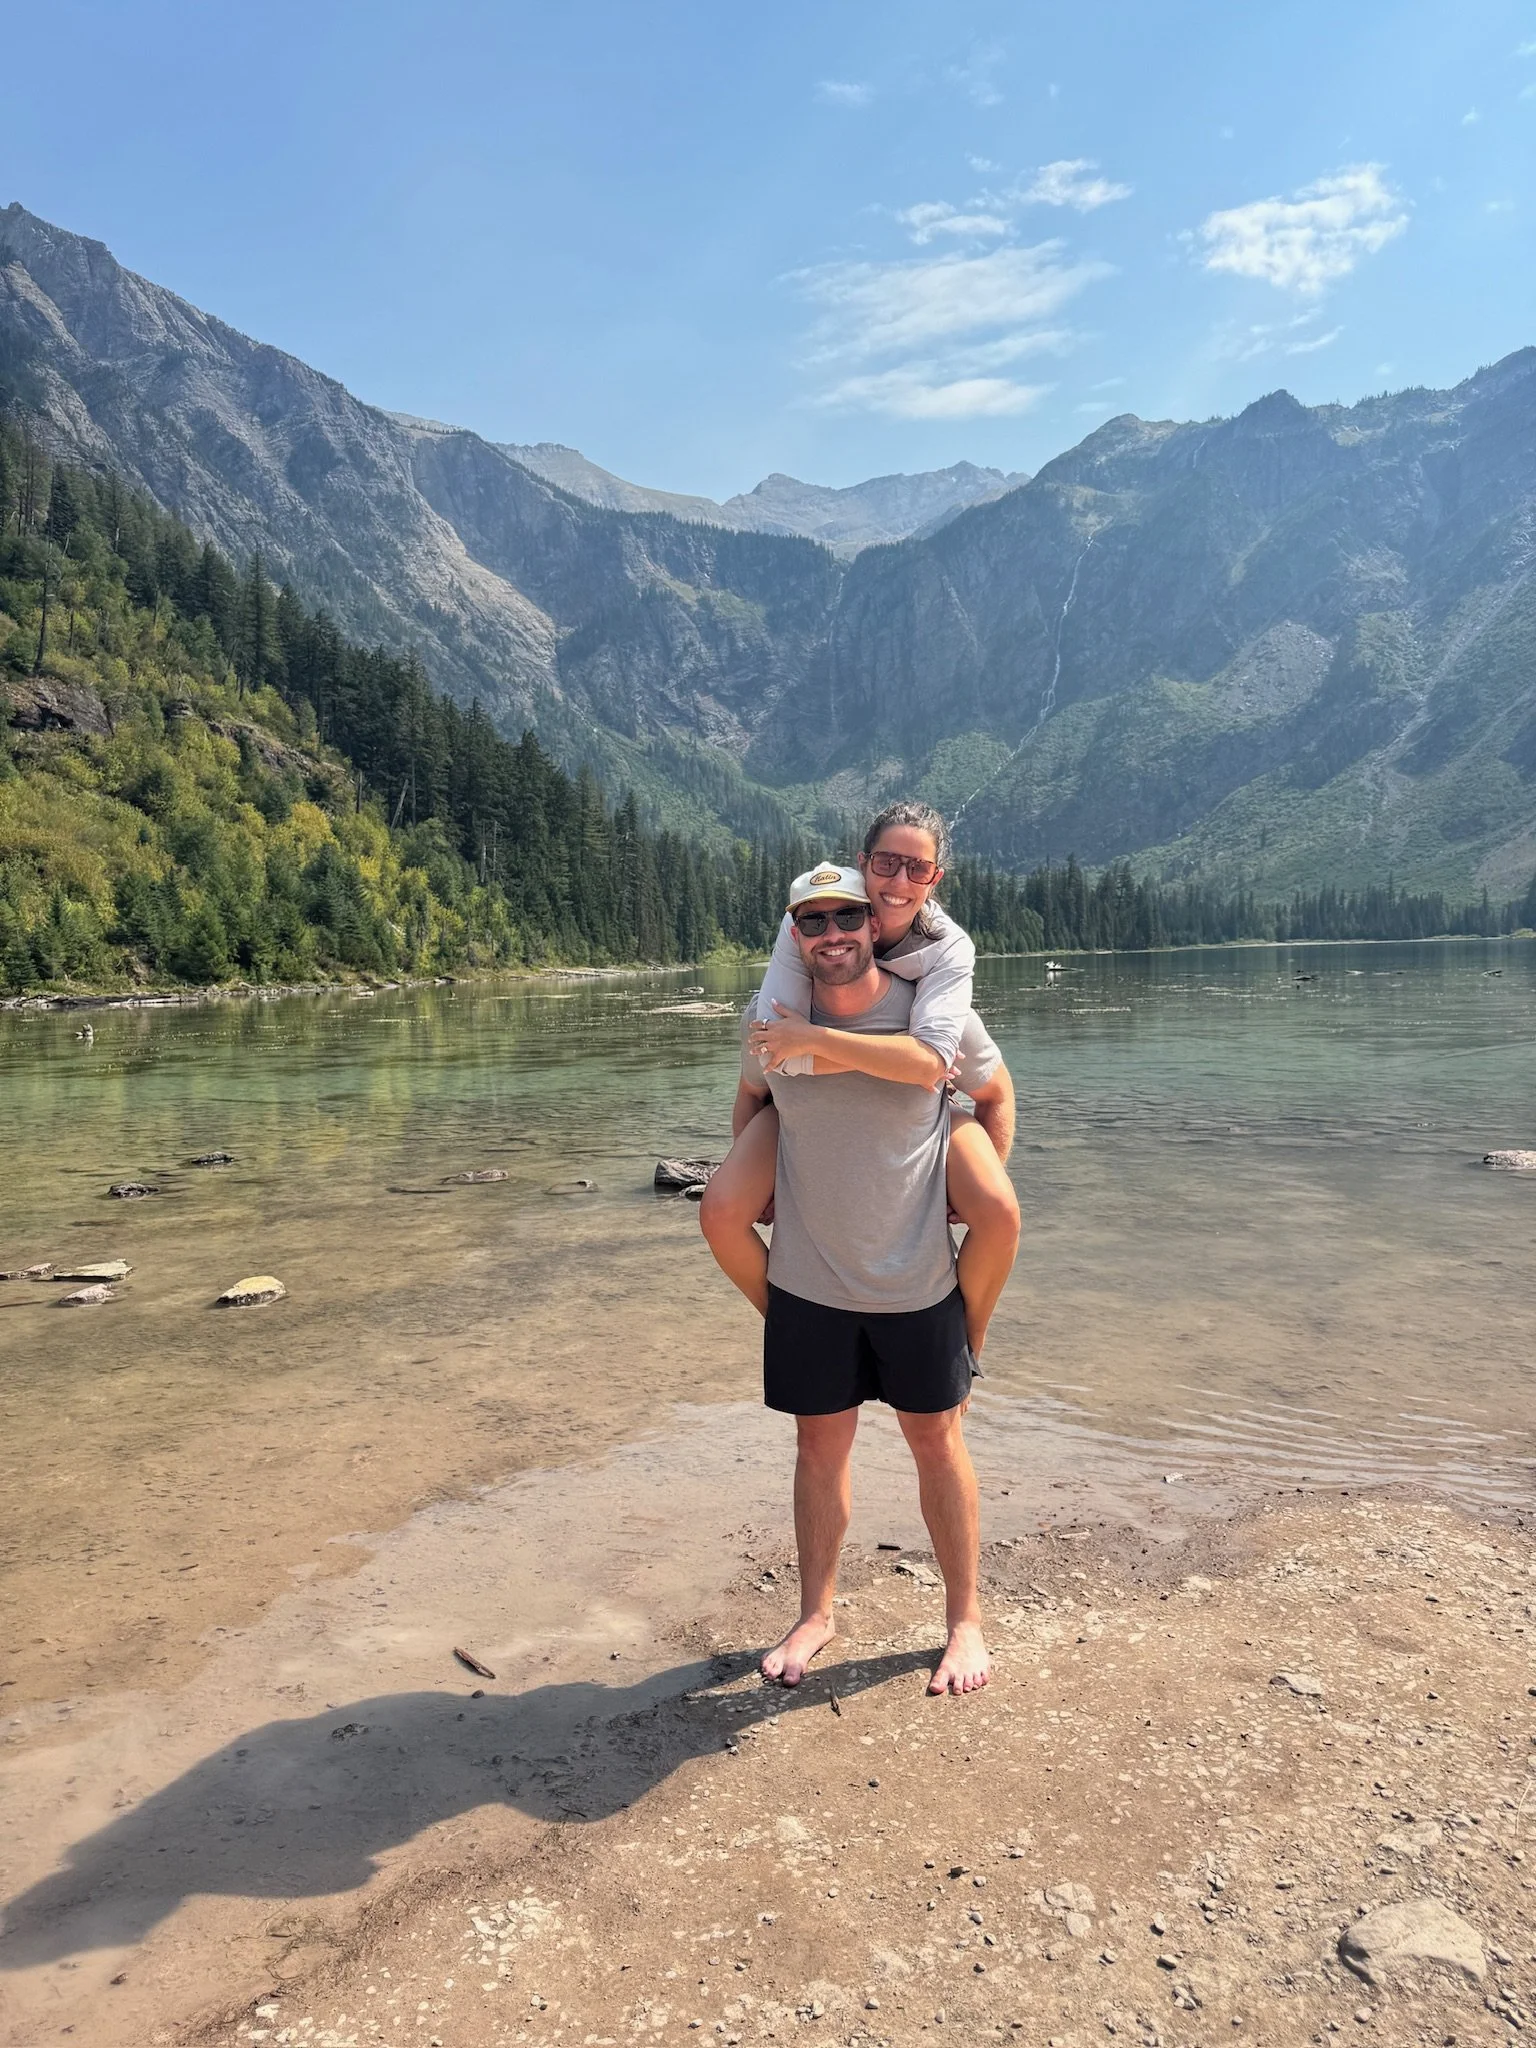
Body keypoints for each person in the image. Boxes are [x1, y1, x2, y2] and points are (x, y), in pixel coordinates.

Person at [717, 861, 1013, 1696]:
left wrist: (970, 1186)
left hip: (918, 1283)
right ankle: (815, 1614)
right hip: (811, 1282)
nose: (833, 934)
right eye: (812, 921)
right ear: (795, 935)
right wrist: (759, 1177)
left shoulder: (931, 1015)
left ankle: (964, 1622)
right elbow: (751, 1098)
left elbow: (995, 1096)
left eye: (846, 916)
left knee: (937, 1442)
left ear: (872, 925)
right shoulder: (773, 1018)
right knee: (819, 1448)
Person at [700, 799, 1019, 1362]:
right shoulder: (794, 955)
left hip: (921, 1110)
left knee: (997, 1210)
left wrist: (958, 1192)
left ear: (934, 879)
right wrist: (766, 1183)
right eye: (887, 863)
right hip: (800, 1116)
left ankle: (968, 1341)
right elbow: (760, 1077)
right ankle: (792, 1320)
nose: (899, 881)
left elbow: (976, 1083)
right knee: (721, 1210)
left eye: (917, 868)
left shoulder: (945, 964)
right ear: (863, 862)